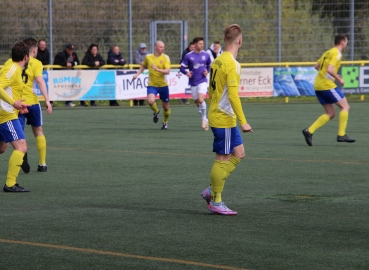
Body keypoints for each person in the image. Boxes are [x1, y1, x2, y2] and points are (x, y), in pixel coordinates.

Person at [201, 24, 252, 215]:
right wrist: (243, 121)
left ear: (224, 41)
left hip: (218, 113)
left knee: (239, 153)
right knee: (222, 158)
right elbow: (233, 95)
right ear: (240, 41)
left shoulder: (217, 60)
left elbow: (212, 89)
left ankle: (212, 190)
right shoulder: (232, 64)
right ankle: (216, 200)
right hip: (224, 118)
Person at [302, 34, 355, 146]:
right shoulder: (337, 53)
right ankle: (341, 135)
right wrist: (338, 79)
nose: (346, 44)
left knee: (330, 113)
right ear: (342, 43)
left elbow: (317, 66)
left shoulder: (328, 52)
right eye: (346, 42)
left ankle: (309, 131)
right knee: (345, 106)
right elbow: (329, 69)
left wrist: (332, 75)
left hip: (318, 85)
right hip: (326, 85)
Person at [17, 38, 52, 173]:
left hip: (19, 103)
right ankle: (42, 163)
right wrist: (47, 100)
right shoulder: (36, 63)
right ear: (34, 50)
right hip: (32, 102)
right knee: (38, 132)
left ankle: (22, 156)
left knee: (20, 134)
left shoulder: (17, 62)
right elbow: (40, 81)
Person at [0, 41, 30, 192]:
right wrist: (13, 103)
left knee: (1, 148)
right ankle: (10, 184)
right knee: (21, 146)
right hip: (5, 115)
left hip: (7, 111)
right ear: (26, 56)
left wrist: (19, 105)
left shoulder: (11, 66)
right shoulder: (12, 69)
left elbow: (10, 88)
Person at [133, 40, 171, 130]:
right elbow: (143, 66)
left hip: (163, 85)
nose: (162, 49)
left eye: (163, 47)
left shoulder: (165, 57)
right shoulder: (148, 57)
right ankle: (156, 111)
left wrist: (157, 69)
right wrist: (137, 74)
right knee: (150, 101)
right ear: (155, 47)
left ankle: (165, 122)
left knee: (166, 107)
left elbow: (167, 71)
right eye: (161, 47)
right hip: (152, 85)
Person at [180, 37, 211, 130]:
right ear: (195, 44)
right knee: (197, 102)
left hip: (203, 81)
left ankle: (204, 118)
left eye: (202, 43)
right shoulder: (188, 56)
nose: (202, 45)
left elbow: (209, 65)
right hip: (193, 82)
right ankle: (203, 116)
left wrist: (207, 71)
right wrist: (187, 73)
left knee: (201, 100)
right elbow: (181, 68)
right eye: (200, 44)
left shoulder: (206, 55)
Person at [54, 43, 80, 107]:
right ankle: (51, 101)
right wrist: (65, 64)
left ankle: (68, 102)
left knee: (69, 87)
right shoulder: (61, 54)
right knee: (57, 88)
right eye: (70, 49)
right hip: (61, 74)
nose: (71, 51)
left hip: (70, 74)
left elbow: (77, 62)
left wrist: (72, 64)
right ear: (66, 49)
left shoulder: (74, 54)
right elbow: (56, 62)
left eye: (72, 49)